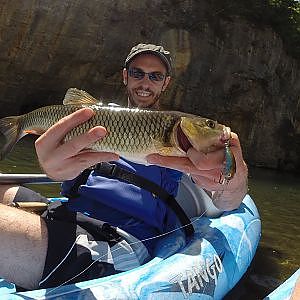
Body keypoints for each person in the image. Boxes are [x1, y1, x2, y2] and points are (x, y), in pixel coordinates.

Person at [0, 43, 248, 290]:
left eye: (155, 76)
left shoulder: (187, 150)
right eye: (138, 73)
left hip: (117, 242)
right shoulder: (94, 121)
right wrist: (51, 170)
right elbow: (61, 167)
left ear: (166, 83)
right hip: (66, 213)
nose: (145, 82)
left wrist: (231, 179)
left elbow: (228, 202)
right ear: (125, 76)